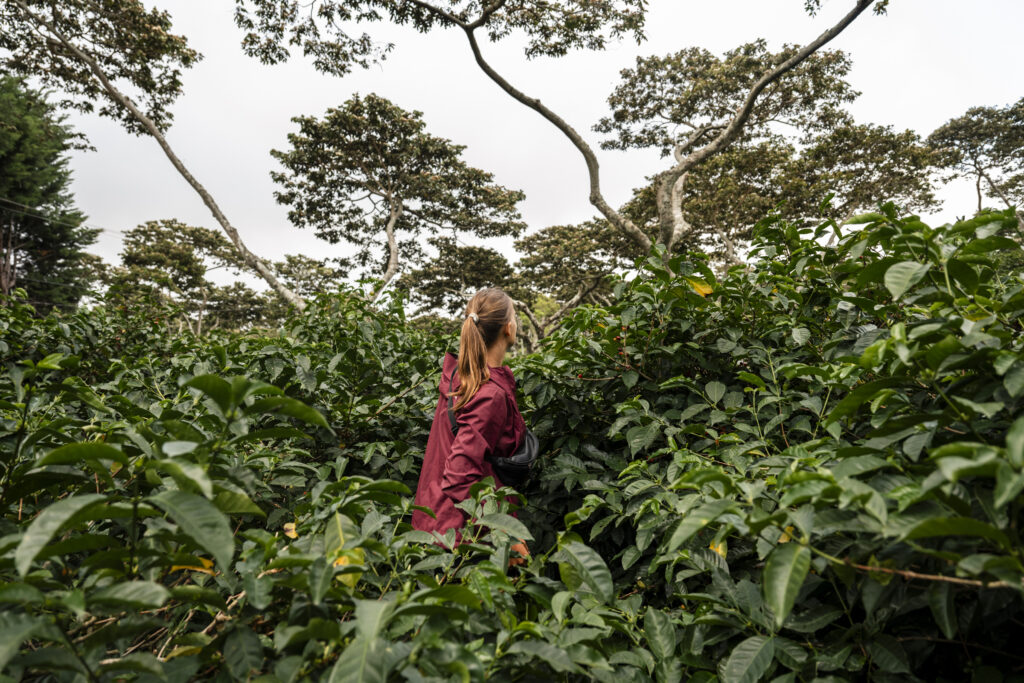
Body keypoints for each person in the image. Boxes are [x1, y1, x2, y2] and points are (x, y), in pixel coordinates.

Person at [411, 288, 530, 563]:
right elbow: (459, 474)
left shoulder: (460, 378)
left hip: (436, 528)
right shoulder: (489, 394)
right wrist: (504, 534)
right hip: (464, 541)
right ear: (508, 329)